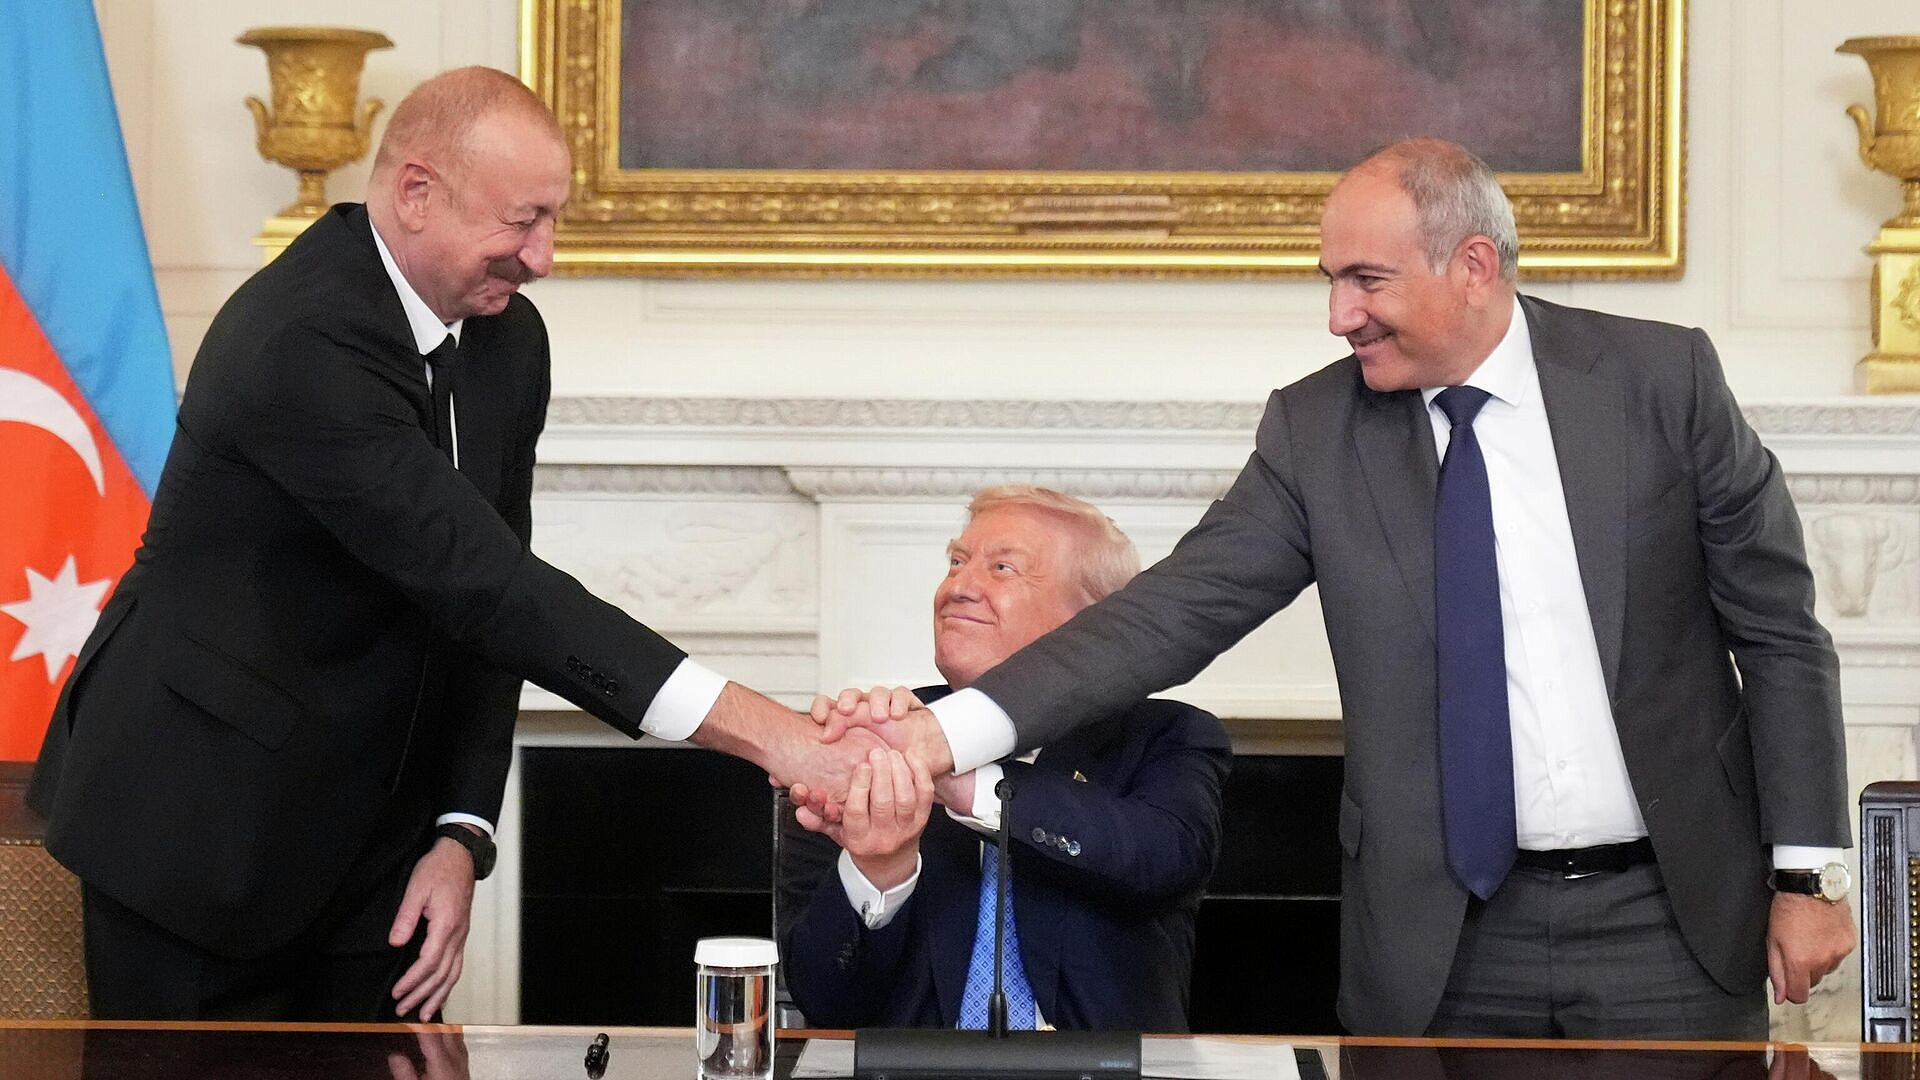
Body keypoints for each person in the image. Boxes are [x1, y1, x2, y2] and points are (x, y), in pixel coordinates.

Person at [815, 139, 1857, 1038]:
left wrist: (1808, 875)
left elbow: (1779, 634)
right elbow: (1169, 614)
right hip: (1444, 938)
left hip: (1670, 918)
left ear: (1473, 266)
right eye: (1330, 280)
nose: (1337, 315)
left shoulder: (1660, 382)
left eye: (1366, 280)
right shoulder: (1316, 432)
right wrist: (940, 737)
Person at [27, 66, 875, 1023]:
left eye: (554, 220)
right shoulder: (301, 339)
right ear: (417, 192)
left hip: (377, 851)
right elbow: (494, 588)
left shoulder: (509, 340)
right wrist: (778, 740)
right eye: (523, 221)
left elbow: (488, 615)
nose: (544, 257)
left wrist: (461, 832)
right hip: (194, 829)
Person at [779, 487, 1230, 1031]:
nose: (958, 588)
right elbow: (823, 1005)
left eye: (1002, 568)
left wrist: (965, 781)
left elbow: (1164, 861)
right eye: (956, 562)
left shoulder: (1165, 736)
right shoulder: (865, 744)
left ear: (1097, 625)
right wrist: (878, 871)